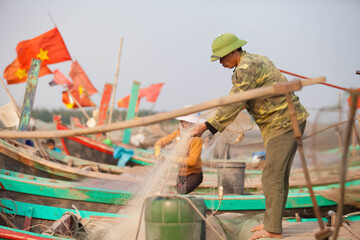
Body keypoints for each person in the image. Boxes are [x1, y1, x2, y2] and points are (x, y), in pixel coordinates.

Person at [193, 33, 308, 239]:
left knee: (272, 175)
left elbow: (235, 102)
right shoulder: (257, 59)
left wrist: (207, 126)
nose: (220, 63)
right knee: (278, 176)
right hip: (288, 120)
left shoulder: (245, 69)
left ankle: (272, 230)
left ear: (234, 52)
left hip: (283, 122)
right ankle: (272, 222)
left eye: (221, 58)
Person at [154, 111, 205, 194]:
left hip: (194, 174)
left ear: (194, 123)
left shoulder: (197, 139)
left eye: (190, 122)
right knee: (178, 194)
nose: (187, 124)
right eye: (185, 122)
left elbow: (193, 161)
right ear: (181, 122)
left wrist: (173, 158)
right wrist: (157, 151)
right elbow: (161, 142)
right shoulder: (178, 133)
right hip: (181, 173)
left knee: (181, 193)